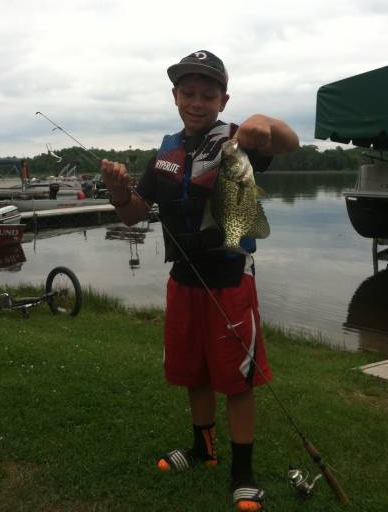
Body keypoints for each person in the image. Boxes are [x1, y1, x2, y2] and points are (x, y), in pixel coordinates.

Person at [101, 51, 299, 511]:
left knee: (238, 380)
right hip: (183, 279)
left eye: (208, 95)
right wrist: (118, 191)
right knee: (194, 371)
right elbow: (133, 215)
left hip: (230, 279)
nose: (197, 102)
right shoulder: (164, 155)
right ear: (175, 97)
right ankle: (203, 449)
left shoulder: (238, 143)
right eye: (188, 93)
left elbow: (289, 142)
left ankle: (242, 472)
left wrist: (265, 122)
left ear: (223, 101)